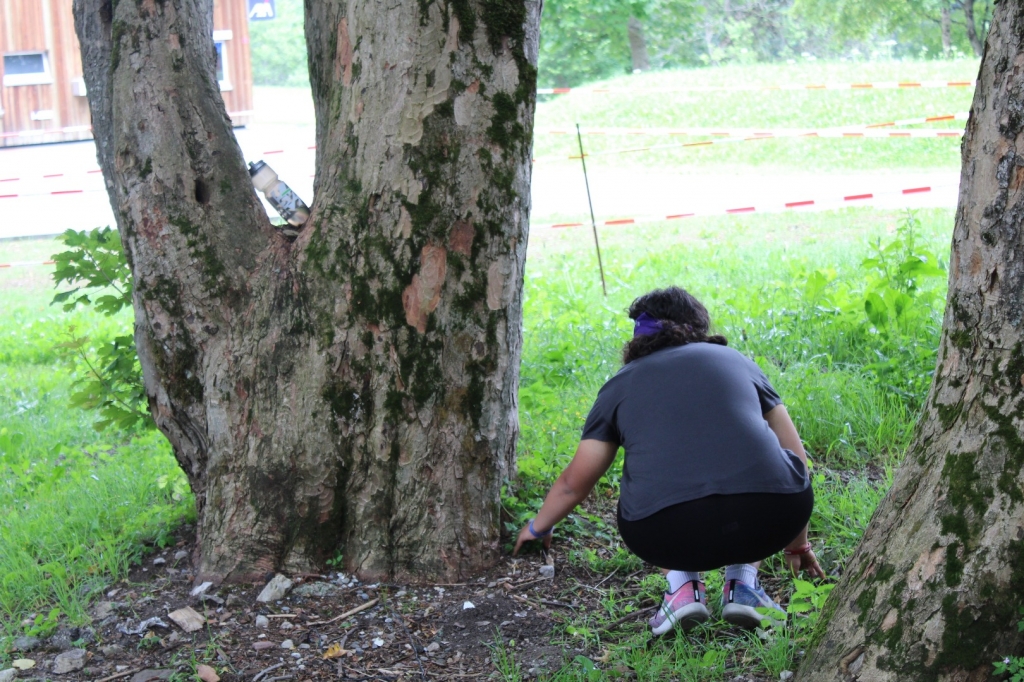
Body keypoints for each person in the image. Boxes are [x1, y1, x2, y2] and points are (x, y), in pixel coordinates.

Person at [513, 286, 824, 636]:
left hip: (664, 533)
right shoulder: (737, 361)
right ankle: (743, 586)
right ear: (699, 327)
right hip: (773, 516)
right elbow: (796, 461)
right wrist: (797, 542)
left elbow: (575, 483)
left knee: (651, 472)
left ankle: (682, 590)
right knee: (746, 462)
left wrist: (539, 526)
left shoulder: (618, 387)